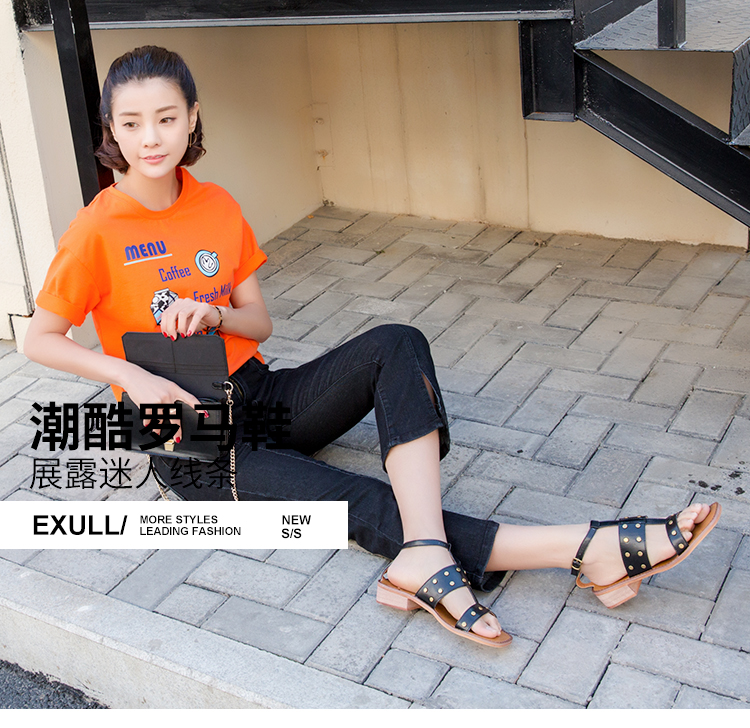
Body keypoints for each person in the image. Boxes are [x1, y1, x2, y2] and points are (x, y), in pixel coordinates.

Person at [24, 46, 720, 649]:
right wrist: (129, 376)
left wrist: (215, 314)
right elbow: (40, 338)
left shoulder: (217, 206)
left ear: (193, 116)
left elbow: (259, 324)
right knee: (357, 499)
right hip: (190, 440)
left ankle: (425, 551)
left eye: (167, 118)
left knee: (396, 343)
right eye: (131, 124)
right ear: (111, 129)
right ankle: (588, 548)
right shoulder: (96, 231)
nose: (151, 139)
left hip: (260, 394)